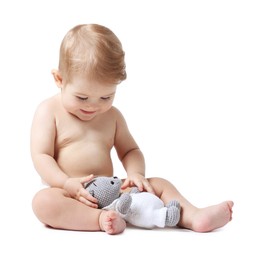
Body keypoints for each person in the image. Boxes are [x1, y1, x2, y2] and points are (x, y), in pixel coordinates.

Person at [31, 24, 233, 235]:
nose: (93, 106)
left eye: (106, 97)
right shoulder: (49, 111)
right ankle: (100, 219)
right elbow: (41, 155)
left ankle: (192, 216)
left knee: (159, 184)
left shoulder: (112, 116)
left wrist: (136, 174)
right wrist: (66, 183)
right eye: (82, 97)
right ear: (59, 79)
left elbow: (130, 151)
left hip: (116, 192)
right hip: (72, 195)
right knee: (43, 202)